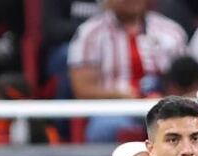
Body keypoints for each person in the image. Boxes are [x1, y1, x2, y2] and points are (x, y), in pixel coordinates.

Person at [67, 0, 188, 142]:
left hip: (164, 107)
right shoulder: (90, 33)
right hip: (114, 109)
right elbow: (82, 89)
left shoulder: (172, 31)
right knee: (107, 128)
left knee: (185, 124)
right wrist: (117, 95)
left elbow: (186, 80)